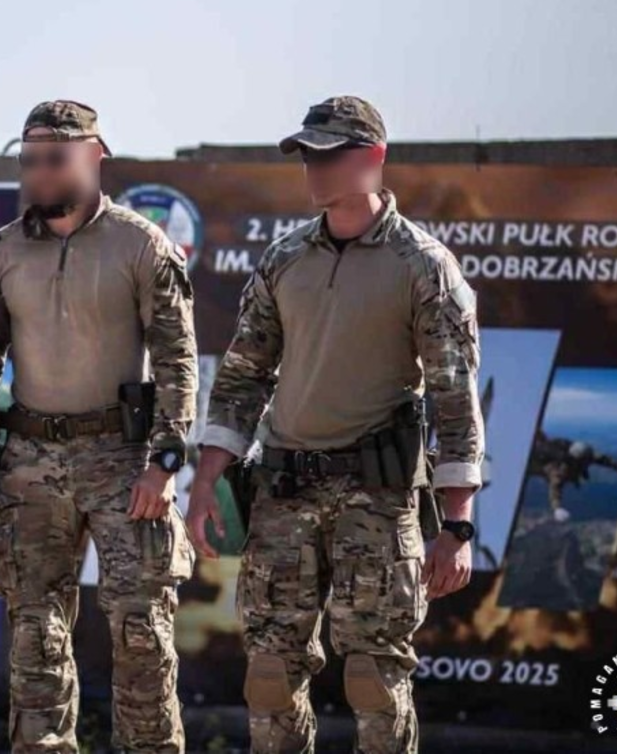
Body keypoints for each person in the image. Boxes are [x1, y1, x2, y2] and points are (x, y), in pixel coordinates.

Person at [186, 96, 485, 754]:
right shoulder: (285, 258)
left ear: (374, 157)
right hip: (283, 492)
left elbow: (455, 399)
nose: (314, 169)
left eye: (329, 155)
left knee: (374, 677)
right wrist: (206, 481)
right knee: (269, 675)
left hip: (376, 498)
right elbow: (242, 376)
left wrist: (458, 525)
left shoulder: (423, 265)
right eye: (306, 156)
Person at [0, 100, 199, 752]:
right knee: (35, 639)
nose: (40, 172)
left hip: (122, 459)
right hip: (30, 462)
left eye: (56, 158)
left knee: (142, 633)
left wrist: (165, 461)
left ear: (95, 156)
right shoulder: (3, 250)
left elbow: (178, 359)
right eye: (29, 160)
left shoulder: (140, 244)